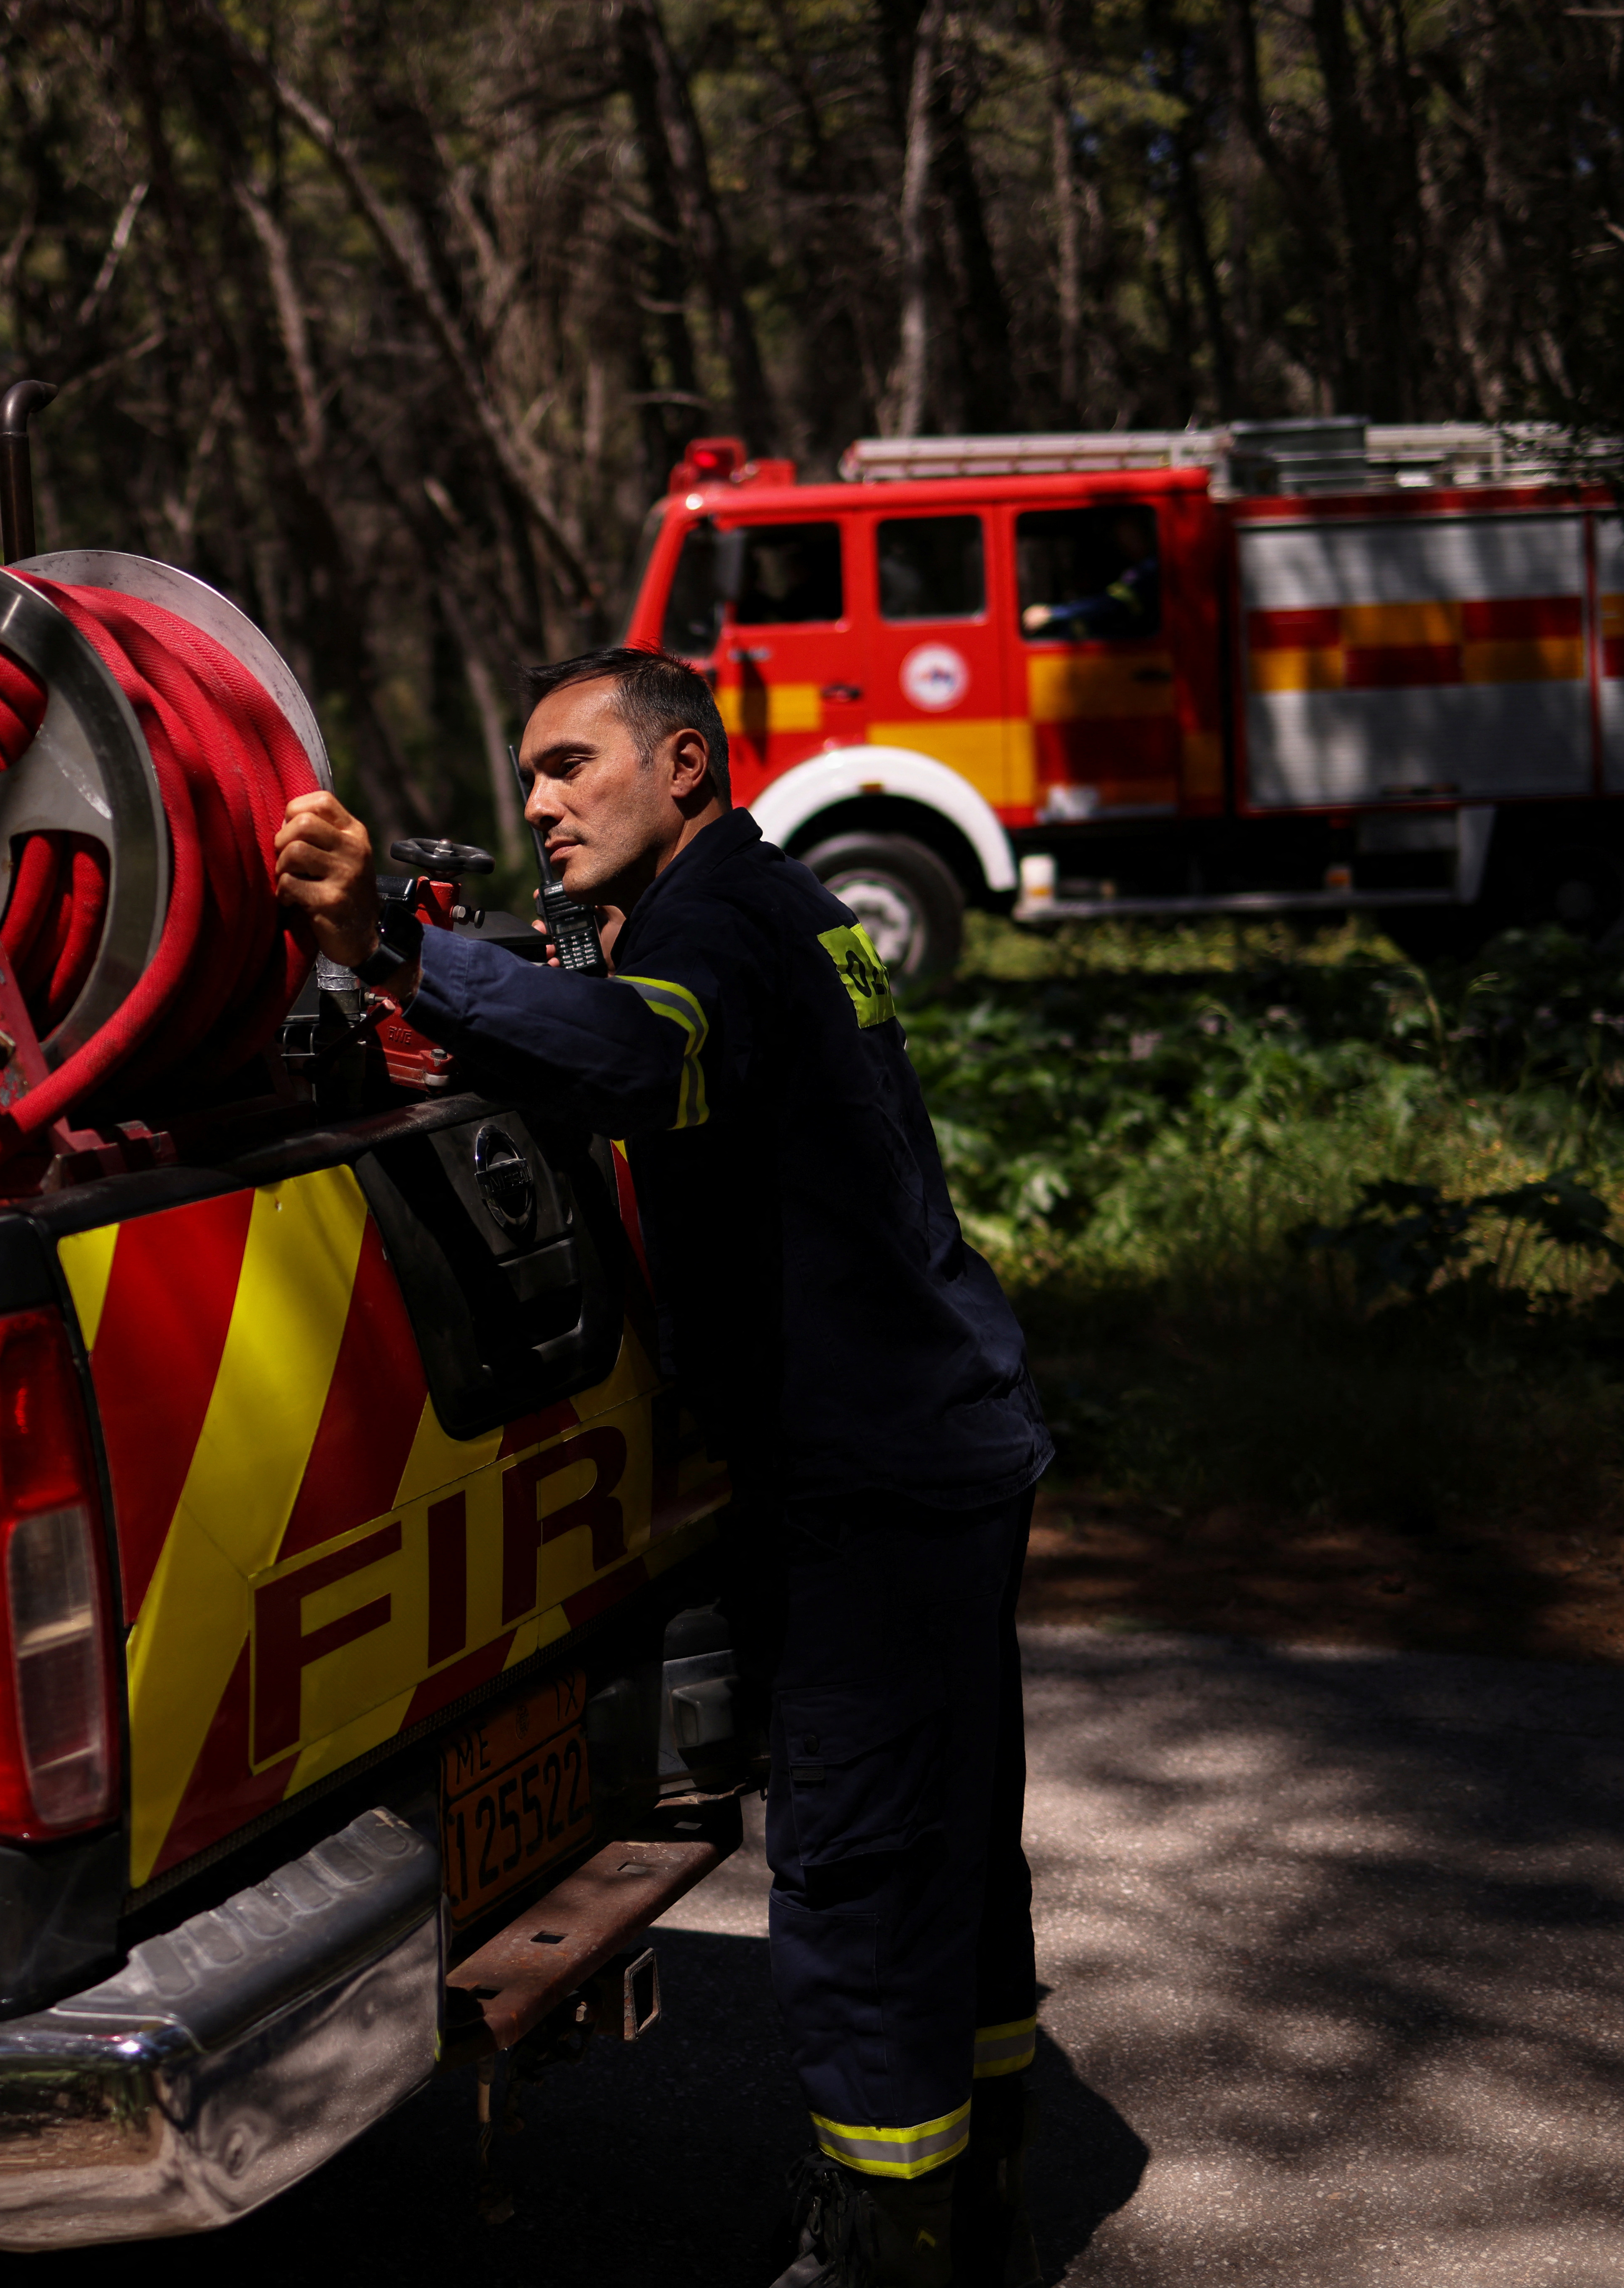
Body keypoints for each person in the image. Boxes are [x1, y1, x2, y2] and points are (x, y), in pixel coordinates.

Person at [273, 649, 1053, 2288]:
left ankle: (883, 2239)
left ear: (682, 767)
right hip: (935, 1440)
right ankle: (975, 2186)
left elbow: (643, 1056)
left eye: (570, 766)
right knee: (951, 1848)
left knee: (852, 1865)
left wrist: (395, 947)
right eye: (528, 775)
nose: (537, 804)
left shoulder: (718, 934)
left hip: (873, 1472)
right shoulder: (774, 905)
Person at [1020, 508, 1160, 641]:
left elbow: (1112, 604)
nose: (1125, 544)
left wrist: (1051, 613)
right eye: (1120, 539)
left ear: (1145, 534)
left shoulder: (1150, 568)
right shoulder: (1138, 566)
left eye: (1131, 537)